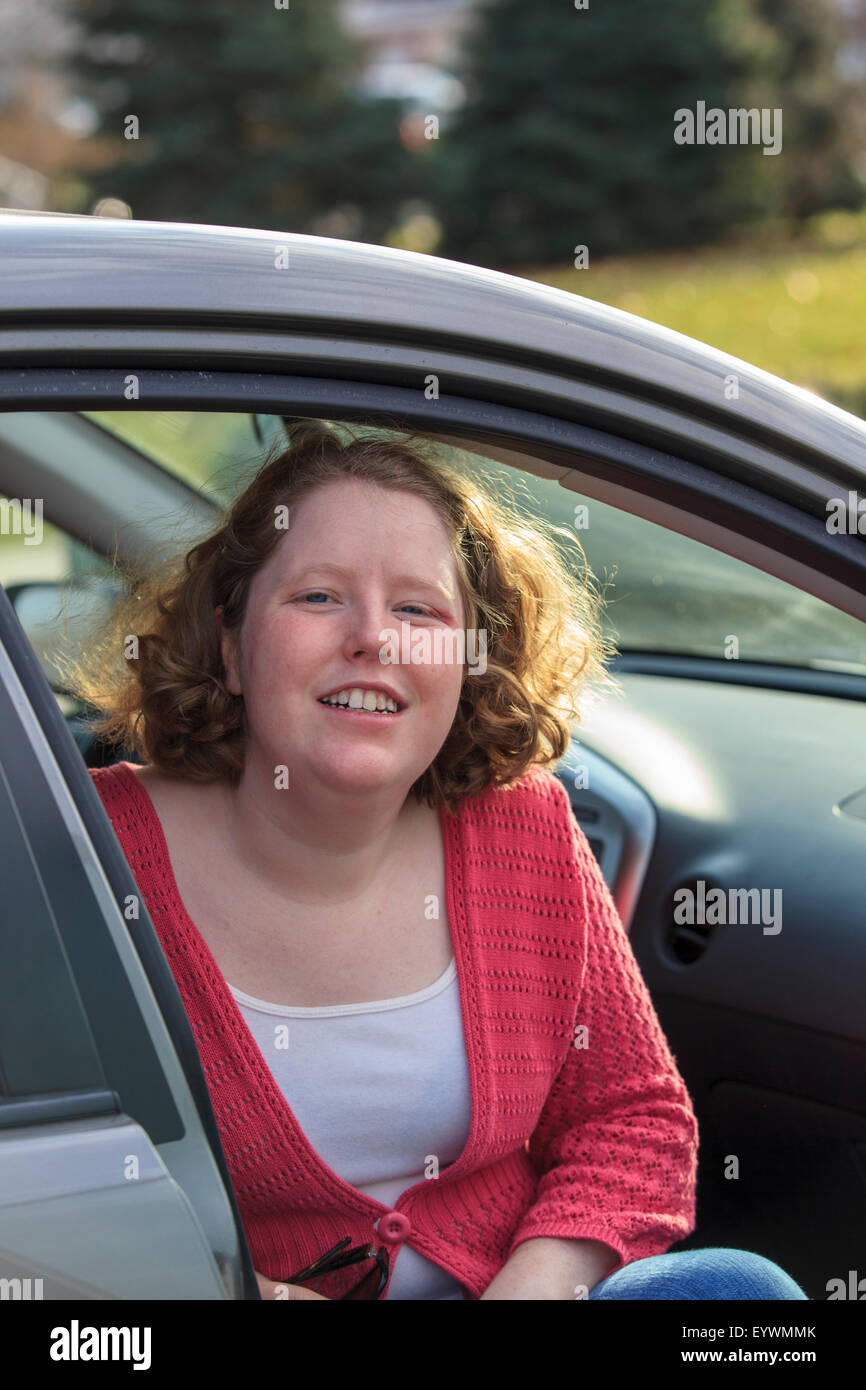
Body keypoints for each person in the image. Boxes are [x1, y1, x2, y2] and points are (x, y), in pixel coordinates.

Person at [71, 421, 807, 1301]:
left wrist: (532, 1290)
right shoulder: (92, 849)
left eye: (418, 609)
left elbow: (632, 1120)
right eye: (317, 597)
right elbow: (47, 1187)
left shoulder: (524, 829)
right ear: (229, 646)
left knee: (741, 1301)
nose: (374, 639)